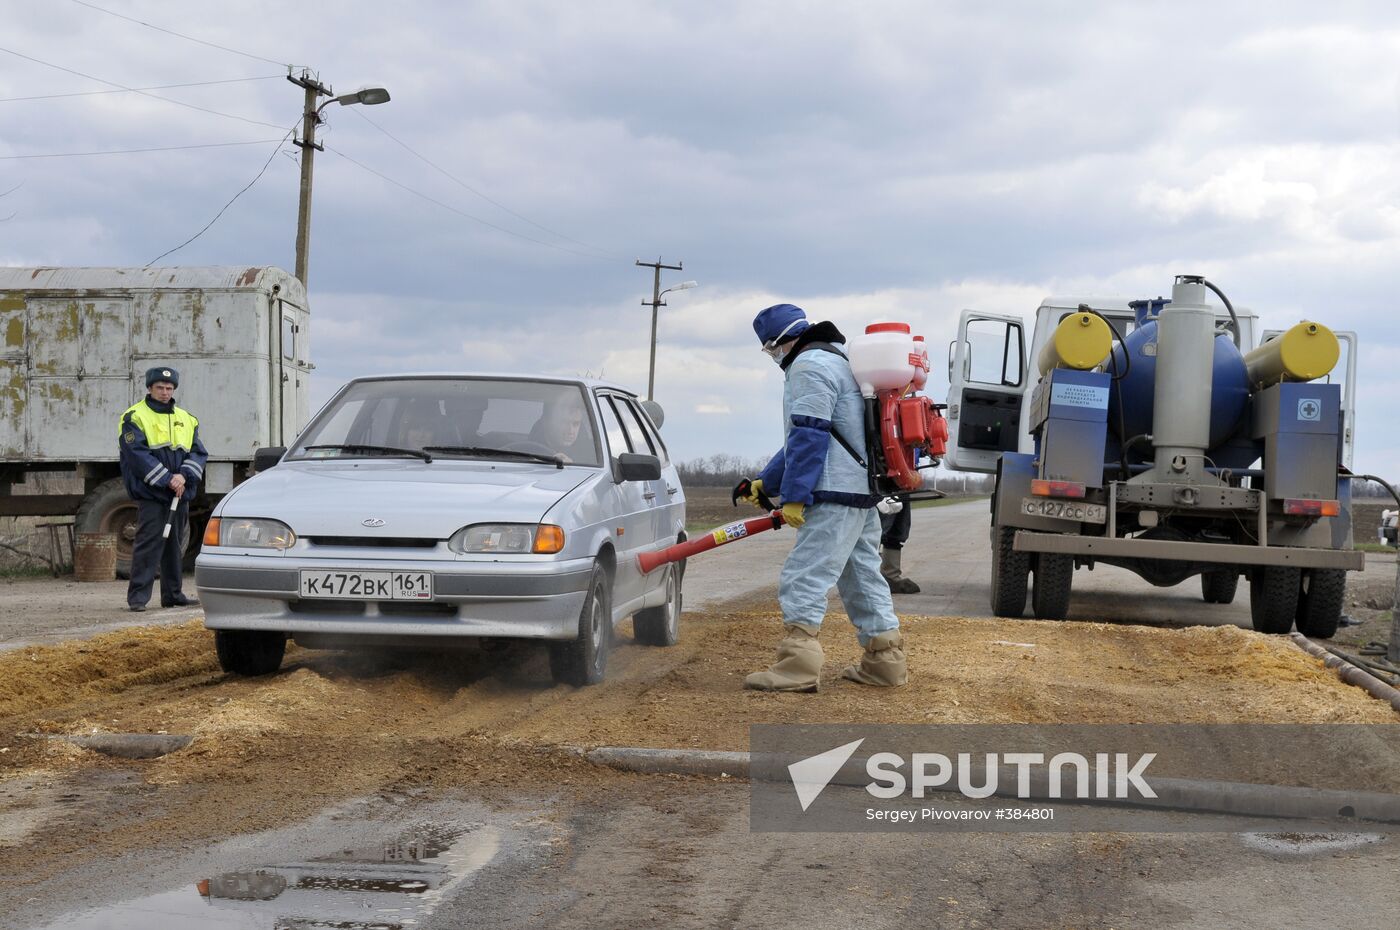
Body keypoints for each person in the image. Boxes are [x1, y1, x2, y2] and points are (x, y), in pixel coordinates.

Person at [739, 303, 908, 692]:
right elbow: (825, 434)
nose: (774, 358)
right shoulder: (840, 360)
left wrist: (795, 496)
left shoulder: (808, 367)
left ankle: (796, 668)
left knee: (804, 576)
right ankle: (885, 662)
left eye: (770, 350)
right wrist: (768, 482)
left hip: (833, 493)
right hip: (861, 491)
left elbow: (809, 434)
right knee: (862, 576)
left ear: (779, 342)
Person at [119, 367, 208, 612]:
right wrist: (167, 479)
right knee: (148, 544)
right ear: (150, 388)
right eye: (160, 387)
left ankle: (173, 594)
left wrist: (183, 476)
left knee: (174, 545)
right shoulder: (134, 416)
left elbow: (198, 453)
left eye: (169, 388)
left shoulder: (187, 418)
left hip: (179, 494)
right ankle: (138, 597)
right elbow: (137, 455)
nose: (165, 392)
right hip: (153, 493)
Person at [880, 494, 921, 593]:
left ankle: (890, 575)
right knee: (877, 528)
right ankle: (868, 577)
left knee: (898, 526)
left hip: (896, 481)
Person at [528, 395, 585, 462]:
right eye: (564, 423)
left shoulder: (590, 455)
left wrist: (572, 467)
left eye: (576, 424)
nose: (571, 431)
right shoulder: (526, 451)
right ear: (547, 422)